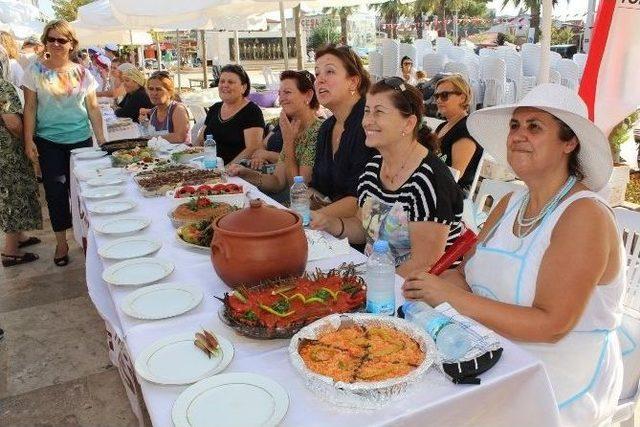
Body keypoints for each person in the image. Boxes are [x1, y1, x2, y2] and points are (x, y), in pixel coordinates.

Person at [402, 84, 623, 426]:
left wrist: (446, 295)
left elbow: (550, 326)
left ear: (569, 142)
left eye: (535, 127)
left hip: (556, 379)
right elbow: (465, 274)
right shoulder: (510, 203)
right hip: (493, 352)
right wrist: (435, 283)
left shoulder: (584, 216)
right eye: (515, 126)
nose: (518, 135)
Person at [311, 78, 463, 276]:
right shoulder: (373, 167)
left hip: (417, 291)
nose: (367, 121)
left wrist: (368, 283)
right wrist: (330, 223)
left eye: (379, 112)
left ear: (408, 124)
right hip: (377, 274)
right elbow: (365, 227)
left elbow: (424, 263)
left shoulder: (428, 180)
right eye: (366, 111)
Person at [23, 20, 106, 266]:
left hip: (80, 140)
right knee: (56, 193)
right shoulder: (34, 70)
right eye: (51, 39)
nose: (56, 44)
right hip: (48, 142)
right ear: (45, 41)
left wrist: (101, 140)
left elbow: (92, 107)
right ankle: (61, 242)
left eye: (62, 40)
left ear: (71, 44)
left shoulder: (83, 73)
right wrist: (28, 140)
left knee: (83, 194)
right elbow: (29, 108)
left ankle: (86, 238)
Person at [227, 70, 322, 194]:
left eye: (287, 92)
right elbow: (277, 182)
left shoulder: (318, 132)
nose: (281, 99)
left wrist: (288, 142)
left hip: (311, 210)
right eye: (279, 93)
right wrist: (245, 173)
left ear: (308, 95)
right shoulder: (291, 130)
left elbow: (300, 190)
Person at [309, 44, 375, 219]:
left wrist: (306, 219)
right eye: (317, 74)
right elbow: (316, 187)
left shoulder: (370, 124)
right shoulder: (326, 127)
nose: (319, 80)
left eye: (329, 72)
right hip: (328, 226)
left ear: (353, 81)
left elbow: (360, 200)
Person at [0, 46, 42, 267]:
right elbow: (13, 123)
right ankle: (10, 250)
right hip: (7, 153)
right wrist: (27, 136)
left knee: (10, 195)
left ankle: (20, 237)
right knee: (13, 197)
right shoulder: (2, 87)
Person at [197, 64, 264, 164]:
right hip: (209, 167)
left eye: (231, 82)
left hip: (236, 172)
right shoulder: (215, 108)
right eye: (222, 81)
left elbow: (252, 148)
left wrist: (227, 169)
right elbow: (201, 140)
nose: (225, 85)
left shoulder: (251, 111)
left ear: (243, 87)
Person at [432, 74, 483, 193]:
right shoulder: (442, 126)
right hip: (434, 186)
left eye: (444, 95)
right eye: (437, 96)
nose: (439, 100)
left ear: (463, 98)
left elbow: (456, 174)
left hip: (453, 194)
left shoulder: (467, 128)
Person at [139, 71, 190, 143]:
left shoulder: (178, 109)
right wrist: (145, 123)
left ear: (170, 92)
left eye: (159, 89)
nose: (154, 93)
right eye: (151, 89)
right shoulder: (154, 111)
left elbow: (180, 138)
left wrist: (151, 138)